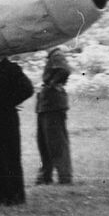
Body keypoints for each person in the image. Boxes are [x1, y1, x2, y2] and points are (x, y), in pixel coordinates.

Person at [0, 58, 34, 205]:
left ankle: (13, 196)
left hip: (7, 118)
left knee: (9, 156)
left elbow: (27, 89)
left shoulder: (11, 68)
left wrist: (8, 103)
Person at [35, 48, 72, 185]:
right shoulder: (53, 56)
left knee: (57, 143)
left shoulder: (57, 54)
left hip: (53, 105)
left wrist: (52, 83)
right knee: (44, 143)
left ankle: (64, 177)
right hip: (46, 105)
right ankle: (46, 176)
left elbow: (65, 70)